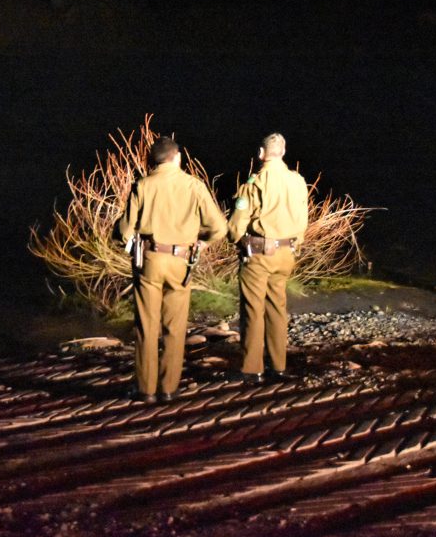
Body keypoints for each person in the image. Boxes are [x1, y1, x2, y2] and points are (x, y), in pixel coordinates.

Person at [118, 136, 228, 403]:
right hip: (181, 261)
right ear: (177, 157)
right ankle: (168, 387)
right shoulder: (194, 186)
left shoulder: (143, 185)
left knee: (146, 325)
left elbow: (124, 231)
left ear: (153, 159)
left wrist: (129, 239)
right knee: (175, 327)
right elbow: (220, 228)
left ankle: (145, 388)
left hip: (150, 261)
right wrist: (201, 242)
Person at [227, 133, 308, 384]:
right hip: (287, 253)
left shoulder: (254, 183)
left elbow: (236, 224)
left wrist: (236, 239)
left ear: (261, 153)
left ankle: (252, 369)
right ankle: (279, 365)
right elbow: (303, 218)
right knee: (277, 309)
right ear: (283, 153)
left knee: (253, 309)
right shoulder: (297, 181)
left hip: (259, 253)